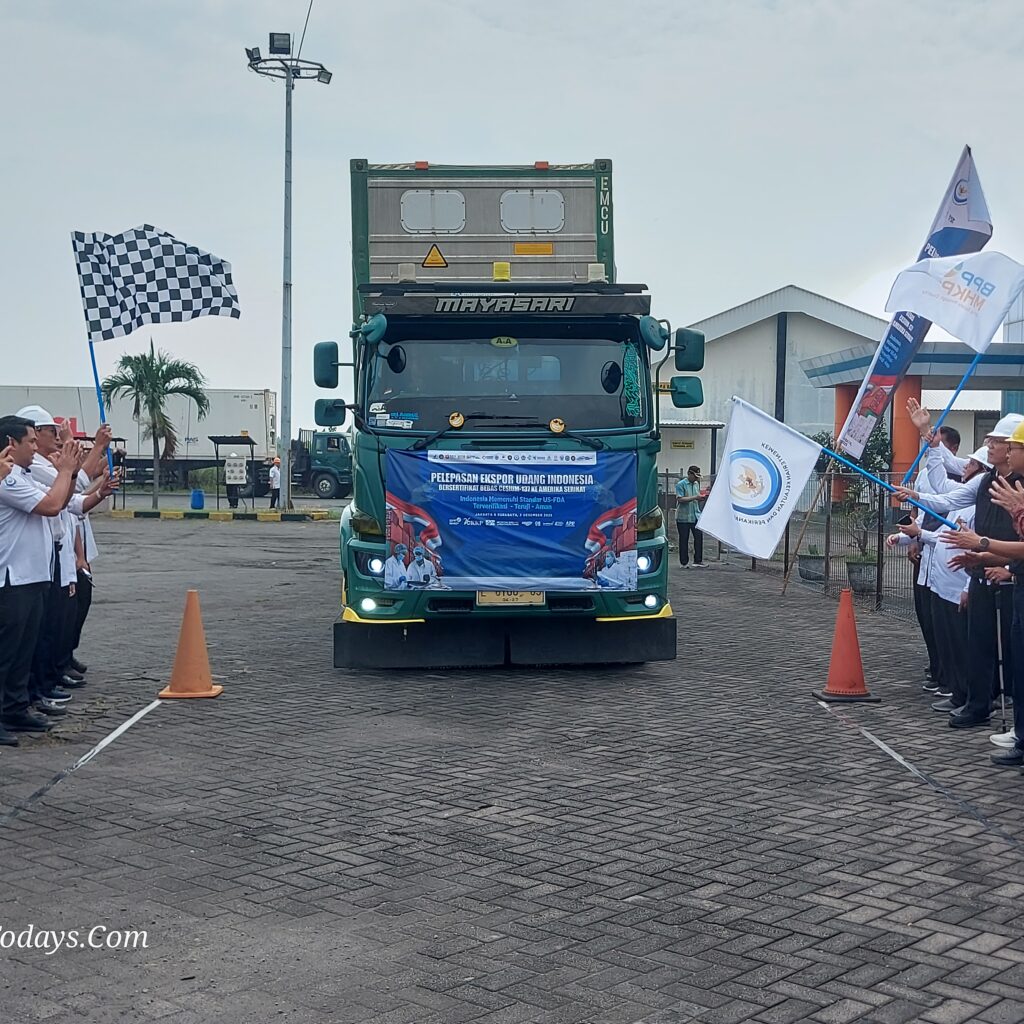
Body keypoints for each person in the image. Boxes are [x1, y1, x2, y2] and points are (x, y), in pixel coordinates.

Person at [900, 412, 1024, 729]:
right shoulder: (985, 481)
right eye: (993, 441)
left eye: (1000, 443)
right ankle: (977, 704)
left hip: (1010, 577)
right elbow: (947, 498)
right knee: (978, 642)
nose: (991, 446)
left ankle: (1011, 718)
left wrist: (1006, 565)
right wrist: (918, 496)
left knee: (1012, 652)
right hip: (981, 571)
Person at [0, 416, 110, 740]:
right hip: (13, 578)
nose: (35, 447)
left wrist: (70, 473)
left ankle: (16, 708)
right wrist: (66, 470)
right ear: (11, 443)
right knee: (8, 653)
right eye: (31, 441)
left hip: (34, 576)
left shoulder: (21, 476)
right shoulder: (7, 480)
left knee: (24, 651)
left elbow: (63, 500)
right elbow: (51, 505)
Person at [675, 466, 706, 567]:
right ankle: (684, 562)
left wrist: (700, 498)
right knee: (684, 539)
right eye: (694, 476)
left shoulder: (696, 484)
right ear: (689, 474)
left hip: (695, 515)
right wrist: (695, 497)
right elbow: (680, 499)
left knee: (699, 538)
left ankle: (698, 560)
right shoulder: (681, 484)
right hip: (683, 517)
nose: (696, 478)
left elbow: (696, 497)